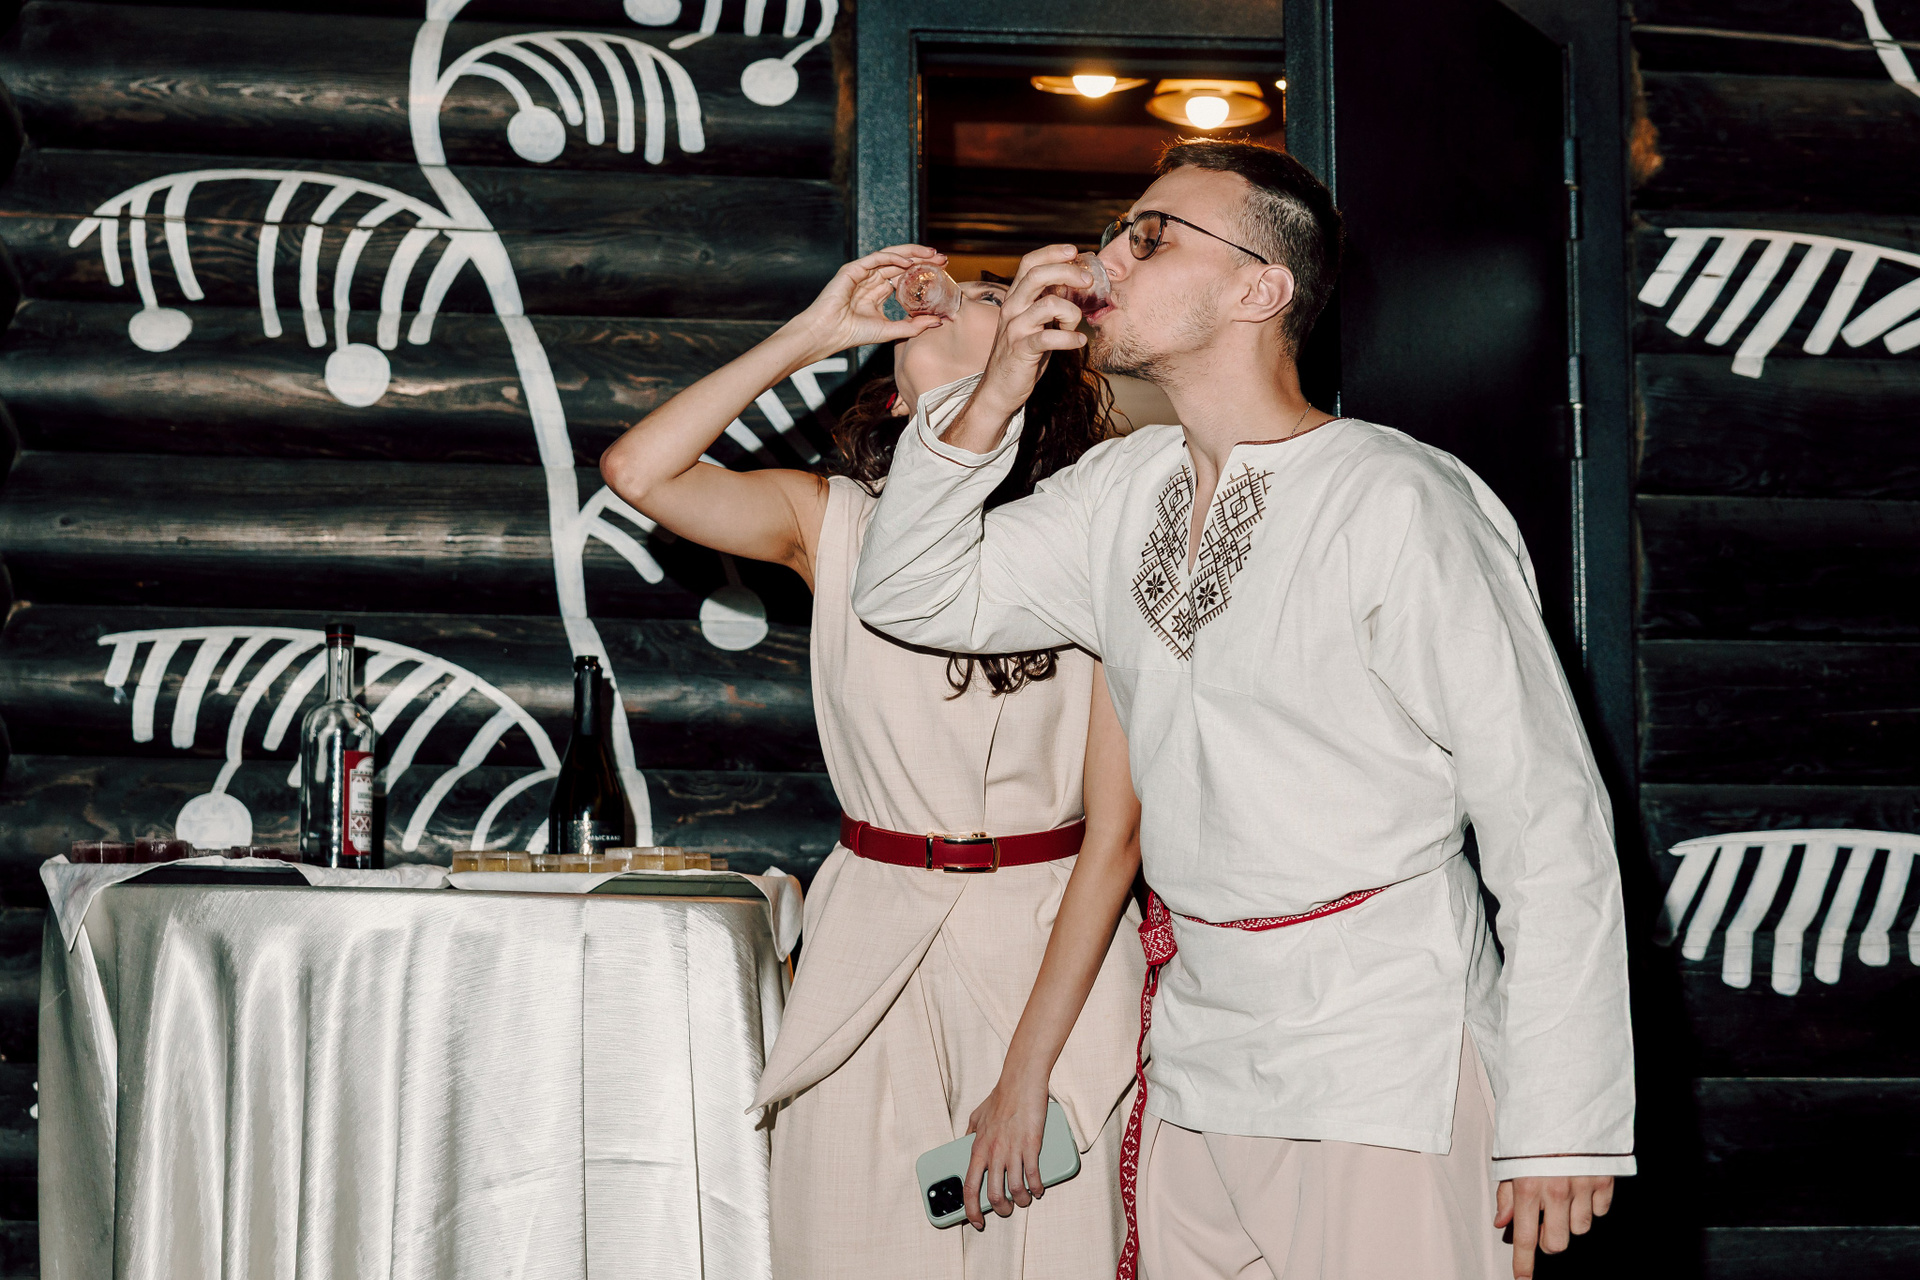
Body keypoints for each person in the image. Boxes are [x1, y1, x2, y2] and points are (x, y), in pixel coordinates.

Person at [850, 140, 1636, 1280]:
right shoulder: (1121, 489)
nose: (1108, 257)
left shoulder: (1398, 498)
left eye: (1150, 237)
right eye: (1117, 232)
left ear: (1260, 290)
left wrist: (1561, 1119)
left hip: (1381, 1056)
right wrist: (999, 386)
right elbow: (908, 591)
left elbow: (1546, 812)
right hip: (1197, 1054)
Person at [598, 247, 1147, 1278]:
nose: (953, 303)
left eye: (989, 295)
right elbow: (639, 471)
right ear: (895, 398)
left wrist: (1026, 1074)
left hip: (1051, 949)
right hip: (868, 941)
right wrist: (817, 331)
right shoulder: (832, 519)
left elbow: (1115, 837)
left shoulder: (1096, 533)